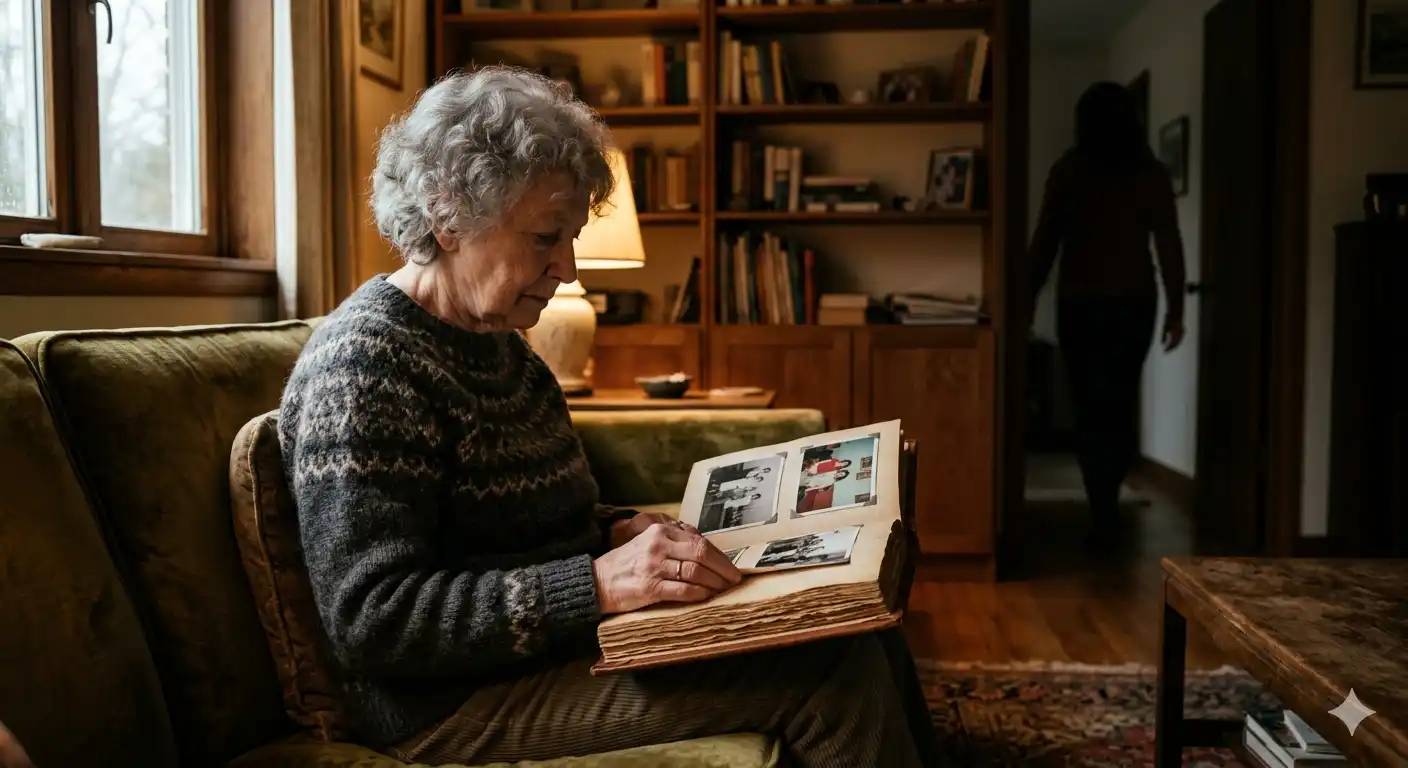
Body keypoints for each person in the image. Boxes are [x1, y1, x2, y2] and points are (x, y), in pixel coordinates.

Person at [278, 66, 940, 768]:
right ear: (447, 216)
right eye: (543, 238)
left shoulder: (506, 351)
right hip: (444, 705)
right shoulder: (366, 368)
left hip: (544, 654)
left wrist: (614, 530)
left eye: (570, 238)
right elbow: (372, 622)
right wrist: (596, 583)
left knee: (847, 625)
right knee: (831, 681)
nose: (568, 268)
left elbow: (519, 528)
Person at [1027, 81, 1187, 534]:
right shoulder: (1150, 173)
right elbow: (1168, 244)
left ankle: (1099, 498)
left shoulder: (1069, 171)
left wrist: (1023, 301)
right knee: (1119, 401)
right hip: (1135, 302)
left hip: (1081, 302)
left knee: (1087, 404)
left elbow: (1044, 245)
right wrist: (1176, 310)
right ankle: (1109, 495)